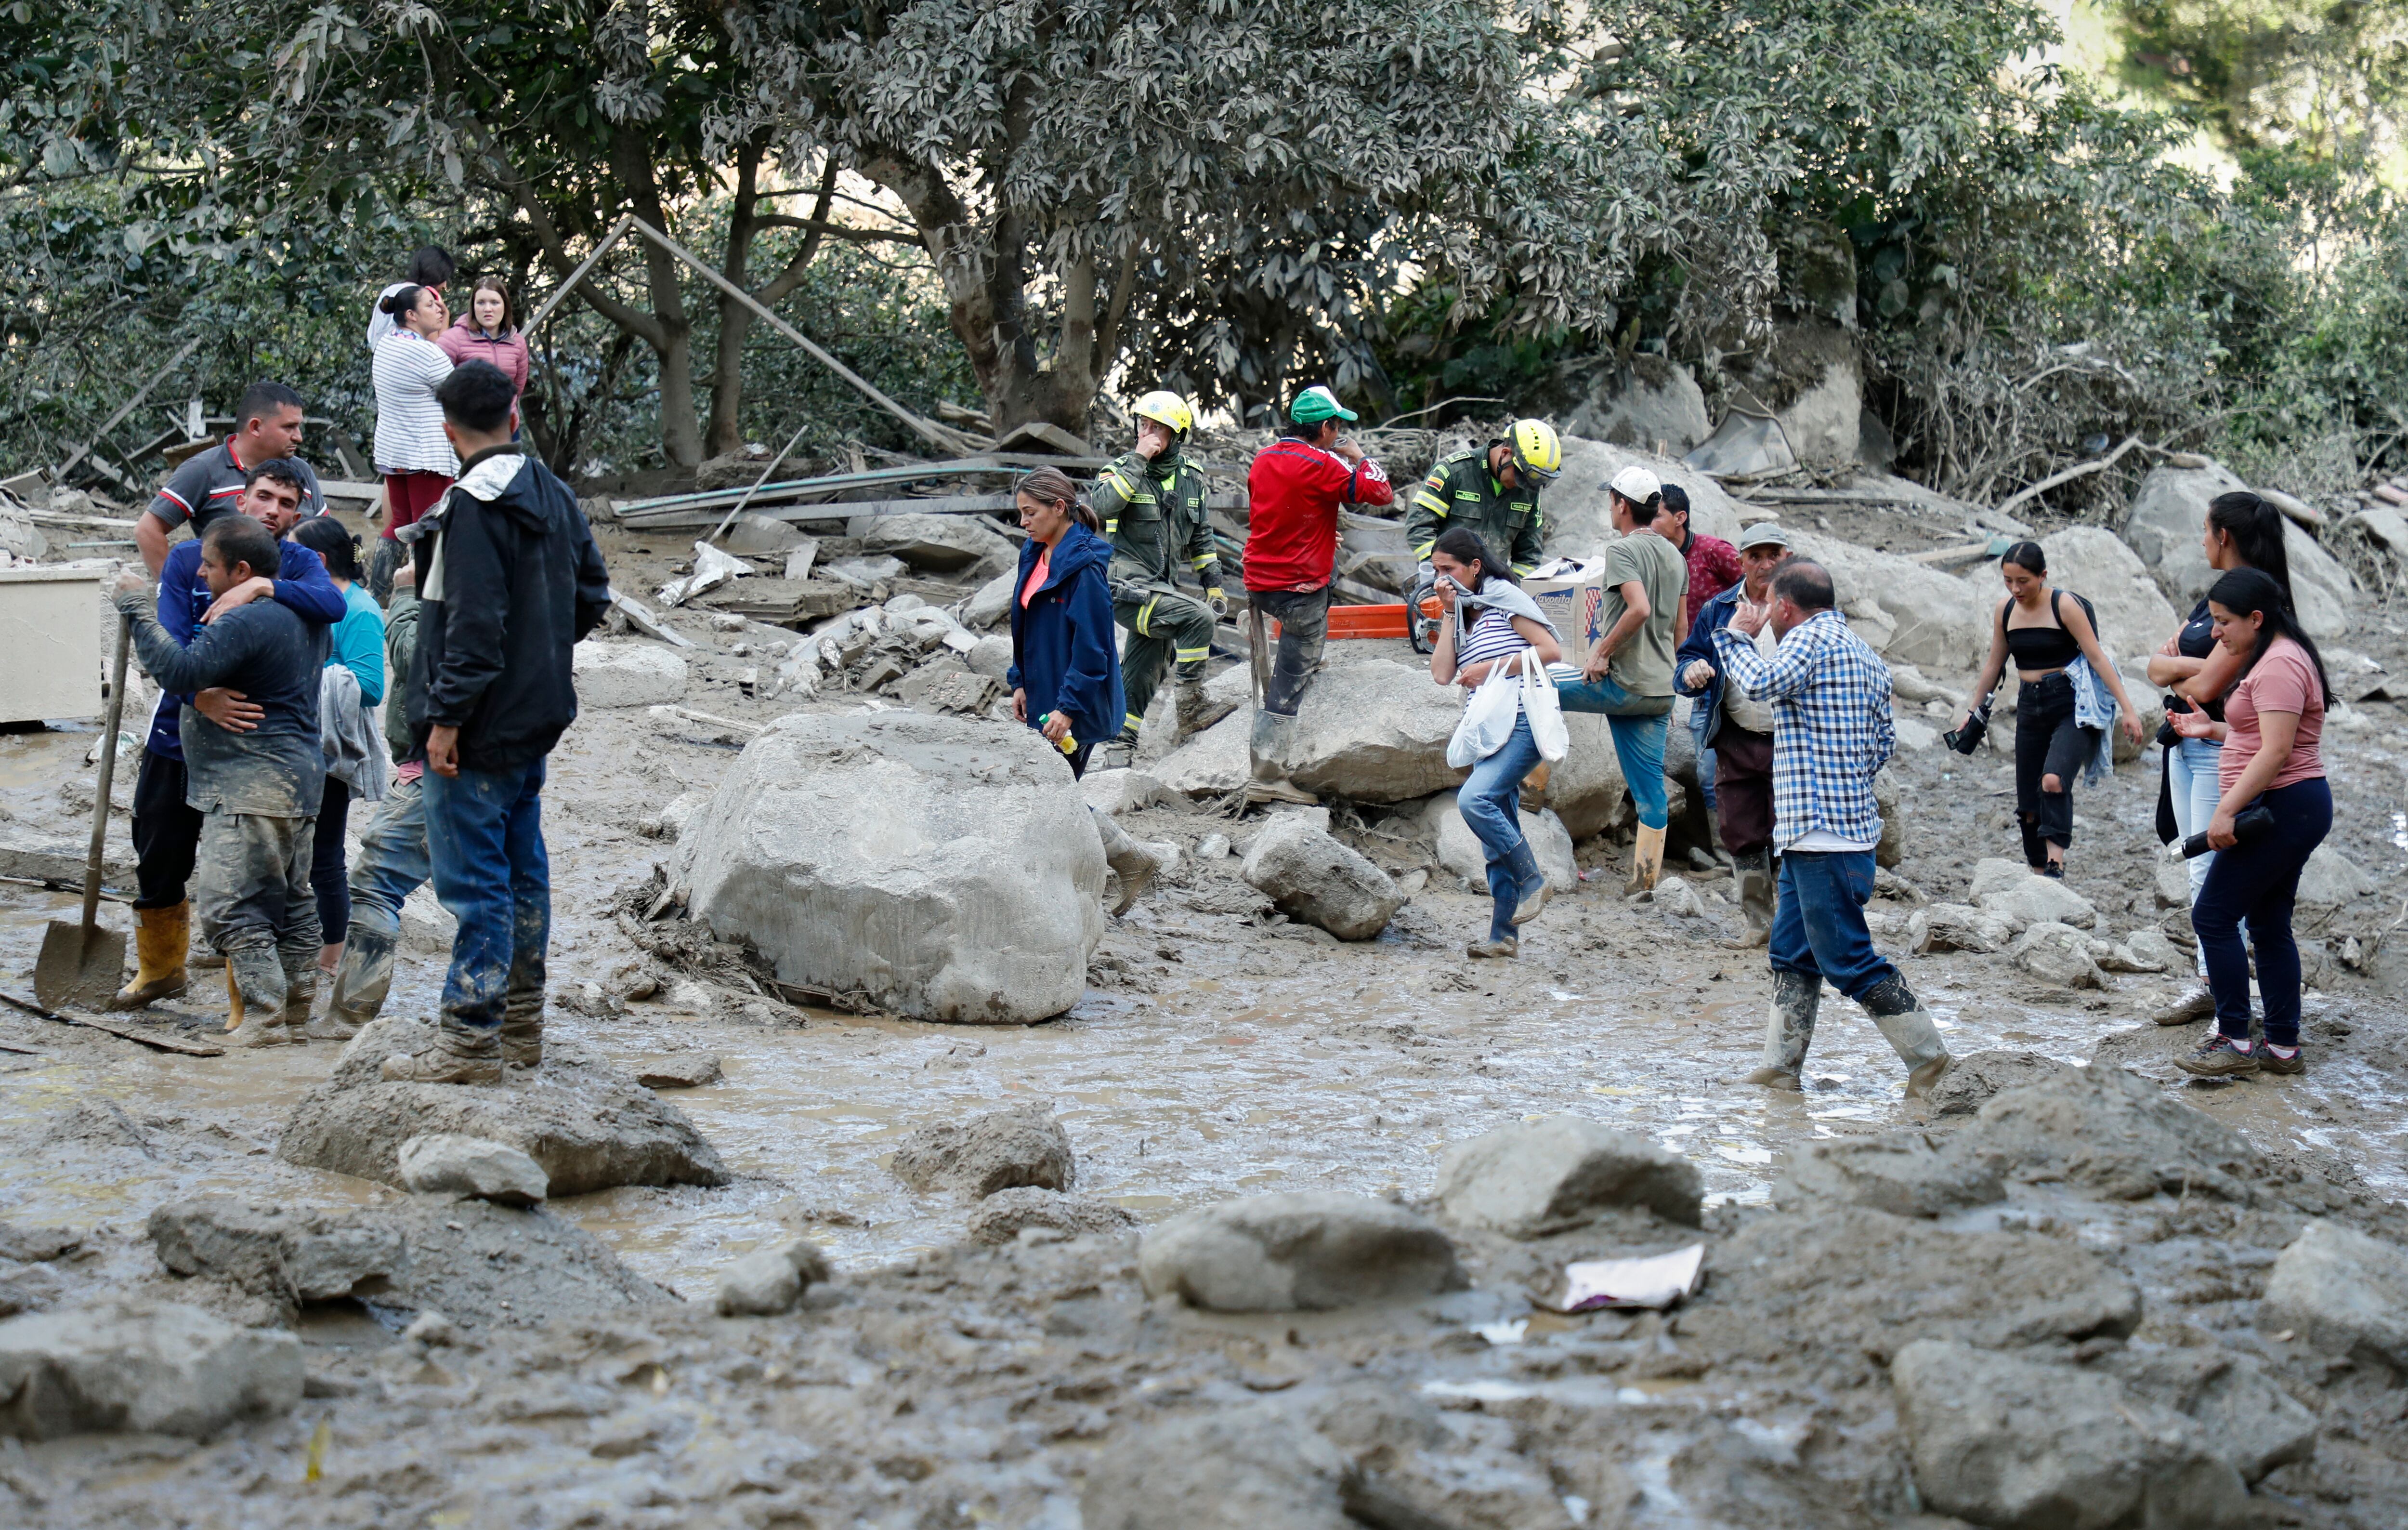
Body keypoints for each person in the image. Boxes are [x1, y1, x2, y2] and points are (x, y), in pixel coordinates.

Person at [378, 361, 610, 1086]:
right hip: (536, 714)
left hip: (476, 728)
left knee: (476, 884)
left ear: (448, 434)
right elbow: (592, 595)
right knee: (522, 871)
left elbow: (472, 627)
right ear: (516, 414)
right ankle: (521, 1028)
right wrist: (537, 653)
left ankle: (470, 1043)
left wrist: (445, 721)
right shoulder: (554, 492)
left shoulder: (472, 506)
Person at [1713, 559, 1952, 1098]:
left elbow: (1757, 683)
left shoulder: (1807, 641)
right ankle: (1780, 1067)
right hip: (1832, 833)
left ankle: (1930, 1057)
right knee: (1792, 953)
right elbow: (1883, 741)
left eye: (1770, 606)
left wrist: (1734, 638)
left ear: (1783, 607)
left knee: (1845, 957)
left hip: (1821, 836)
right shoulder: (1863, 652)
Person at [114, 462, 345, 1010]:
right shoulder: (192, 558)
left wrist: (262, 586)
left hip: (251, 757)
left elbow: (333, 605)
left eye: (287, 503)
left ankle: (254, 1012)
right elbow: (175, 644)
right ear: (242, 499)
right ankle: (162, 971)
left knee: (243, 892)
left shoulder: (299, 564)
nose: (273, 510)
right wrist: (200, 696)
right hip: (182, 735)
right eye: (264, 497)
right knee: (159, 855)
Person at [2171, 568, 2332, 1079]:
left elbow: (2278, 750)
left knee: (2212, 916)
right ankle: (2282, 1047)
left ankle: (2233, 1039)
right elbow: (2263, 733)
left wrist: (2223, 811)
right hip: (2286, 805)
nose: (2214, 633)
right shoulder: (2274, 655)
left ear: (2255, 619)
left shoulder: (2280, 662)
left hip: (2281, 806)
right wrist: (2212, 727)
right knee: (2265, 923)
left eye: (2222, 622)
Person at [2147, 491, 2293, 1024]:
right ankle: (2210, 986)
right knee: (2195, 874)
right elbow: (2156, 668)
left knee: (2213, 877)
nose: (2201, 540)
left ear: (2223, 536)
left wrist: (2179, 665)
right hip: (2186, 739)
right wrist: (2188, 665)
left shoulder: (2256, 600)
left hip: (2220, 747)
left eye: (2205, 531)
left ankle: (2230, 1011)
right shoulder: (2217, 600)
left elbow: (2207, 679)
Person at [1005, 466, 1166, 916]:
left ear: (1060, 508)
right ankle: (1123, 863)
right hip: (1043, 697)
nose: (1024, 522)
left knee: (1049, 797)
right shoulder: (1034, 554)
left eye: (1030, 512)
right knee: (1052, 794)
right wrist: (1019, 680)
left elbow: (1095, 650)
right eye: (1021, 513)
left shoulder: (1086, 570)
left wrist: (1067, 709)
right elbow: (1024, 624)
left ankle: (1124, 863)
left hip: (1075, 705)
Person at [1242, 385, 1393, 804]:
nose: (1339, 433)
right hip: (1298, 588)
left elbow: (1277, 510)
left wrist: (1323, 531)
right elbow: (1381, 493)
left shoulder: (1264, 458)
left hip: (1260, 579)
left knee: (1332, 564)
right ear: (1326, 428)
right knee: (1290, 679)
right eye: (1337, 427)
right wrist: (1359, 457)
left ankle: (1306, 651)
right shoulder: (1322, 462)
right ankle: (1267, 775)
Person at [1957, 542, 2144, 877]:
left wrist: (2128, 710)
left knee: (2054, 780)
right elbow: (1994, 664)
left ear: (2043, 576)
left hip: (2070, 703)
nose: (2016, 589)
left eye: (2024, 581)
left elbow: (2098, 658)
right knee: (2029, 804)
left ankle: (2056, 862)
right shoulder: (2006, 610)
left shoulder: (2065, 606)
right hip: (2030, 705)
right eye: (2008, 581)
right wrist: (1973, 711)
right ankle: (2039, 871)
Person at [1428, 527, 1562, 960]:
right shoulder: (1464, 613)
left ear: (1474, 567)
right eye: (1436, 572)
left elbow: (1551, 650)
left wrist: (1493, 668)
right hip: (1490, 730)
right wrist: (1449, 612)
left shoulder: (1503, 598)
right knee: (1494, 836)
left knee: (1475, 801)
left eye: (1449, 570)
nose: (1442, 579)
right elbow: (1441, 674)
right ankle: (1503, 937)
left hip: (1522, 720)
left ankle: (1534, 881)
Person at [1556, 465, 1688, 893]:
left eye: (1610, 500)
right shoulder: (1675, 555)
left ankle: (1530, 790)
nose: (1609, 508)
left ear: (1622, 505)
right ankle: (1644, 882)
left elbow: (1639, 609)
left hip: (1624, 685)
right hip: (1659, 691)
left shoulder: (1622, 552)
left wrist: (1601, 652)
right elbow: (1681, 631)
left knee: (1537, 690)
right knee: (1650, 790)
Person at [319, 558, 429, 1039]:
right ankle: (505, 1024)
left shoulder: (465, 595)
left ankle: (348, 1020)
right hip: (503, 770)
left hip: (443, 768)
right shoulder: (531, 589)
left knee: (376, 882)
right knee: (485, 891)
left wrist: (405, 600)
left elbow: (414, 661)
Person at [1673, 522, 1792, 946]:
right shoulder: (1719, 609)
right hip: (1736, 734)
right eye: (1755, 557)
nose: (1764, 565)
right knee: (1741, 831)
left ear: (1787, 559)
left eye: (1773, 555)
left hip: (1792, 740)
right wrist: (1692, 671)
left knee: (1792, 832)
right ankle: (1759, 923)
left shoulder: (1800, 610)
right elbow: (1687, 658)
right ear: (1739, 562)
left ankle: (1794, 926)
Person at [1091, 390, 1224, 766]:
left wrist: (1213, 583)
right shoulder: (1120, 469)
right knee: (1198, 618)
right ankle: (1191, 707)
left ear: (1177, 437)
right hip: (1126, 588)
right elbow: (1102, 507)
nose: (1146, 433)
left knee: (1142, 672)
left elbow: (1201, 537)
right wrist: (1139, 460)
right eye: (1143, 425)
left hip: (1161, 590)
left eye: (1157, 428)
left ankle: (1120, 747)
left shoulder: (1192, 479)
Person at [289, 515, 388, 995]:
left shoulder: (360, 609)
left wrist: (312, 670)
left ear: (319, 560)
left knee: (324, 855)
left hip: (330, 745)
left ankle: (333, 955)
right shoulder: (309, 598)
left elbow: (370, 686)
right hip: (295, 738)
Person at [136, 381, 326, 574]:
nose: (299, 437)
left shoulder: (301, 471)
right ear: (255, 427)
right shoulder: (203, 470)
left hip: (295, 599)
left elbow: (326, 536)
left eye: (298, 427)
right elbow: (148, 530)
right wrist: (173, 591)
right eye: (289, 427)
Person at [1661, 483, 1741, 850]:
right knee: (1707, 769)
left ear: (1680, 518)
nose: (1650, 521)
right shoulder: (1660, 558)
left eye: (1657, 514)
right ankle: (1725, 857)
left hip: (1738, 676)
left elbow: (1754, 589)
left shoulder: (1713, 552)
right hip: (1698, 677)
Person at [370, 283, 459, 604]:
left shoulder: (387, 344)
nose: (439, 309)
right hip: (427, 453)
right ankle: (427, 599)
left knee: (400, 522)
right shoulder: (426, 352)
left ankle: (379, 594)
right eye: (431, 305)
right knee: (431, 528)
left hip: (394, 449)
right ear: (411, 315)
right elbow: (460, 392)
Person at [1405, 419, 1562, 579]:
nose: (1522, 486)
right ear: (1506, 453)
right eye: (1520, 477)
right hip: (1443, 588)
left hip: (1494, 594)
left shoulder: (1528, 491)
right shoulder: (1454, 472)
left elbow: (1529, 555)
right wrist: (1442, 571)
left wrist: (1511, 590)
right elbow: (1418, 527)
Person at [436, 277, 531, 423]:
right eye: (481, 303)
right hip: (467, 429)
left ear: (505, 306)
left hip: (505, 427)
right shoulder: (452, 339)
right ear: (473, 307)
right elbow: (438, 384)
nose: (488, 309)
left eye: (495, 303)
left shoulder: (518, 342)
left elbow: (517, 387)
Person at [367, 245, 456, 351]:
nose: (445, 286)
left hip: (382, 357)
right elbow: (439, 349)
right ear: (436, 276)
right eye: (444, 279)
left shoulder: (390, 290)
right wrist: (445, 314)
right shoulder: (420, 299)